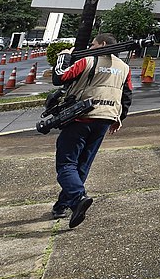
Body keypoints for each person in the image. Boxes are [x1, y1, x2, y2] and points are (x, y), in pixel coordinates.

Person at [50, 33, 133, 228]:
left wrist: (63, 56)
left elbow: (60, 77)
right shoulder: (124, 67)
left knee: (66, 163)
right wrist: (119, 118)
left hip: (81, 117)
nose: (90, 47)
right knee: (83, 163)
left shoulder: (87, 61)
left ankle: (78, 197)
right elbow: (127, 95)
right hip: (105, 119)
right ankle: (64, 205)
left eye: (93, 44)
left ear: (102, 44)